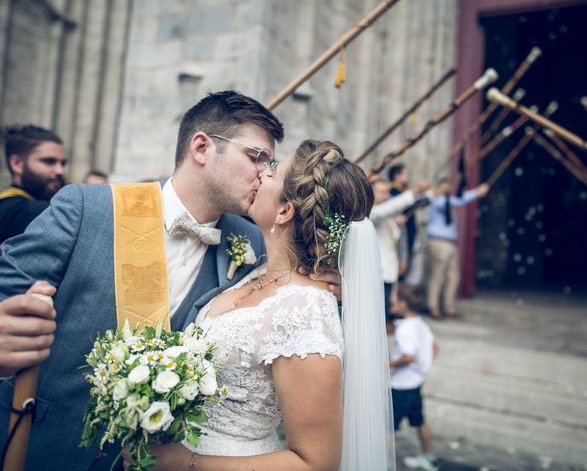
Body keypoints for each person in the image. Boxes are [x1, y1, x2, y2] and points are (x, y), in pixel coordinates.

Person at [0, 91, 287, 470]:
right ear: (201, 147)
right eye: (255, 157)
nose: (265, 174)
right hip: (43, 440)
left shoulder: (251, 242)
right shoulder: (87, 206)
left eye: (271, 163)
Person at [146, 140, 395, 470]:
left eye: (273, 170)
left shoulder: (306, 311)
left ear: (284, 211)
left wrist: (188, 463)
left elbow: (316, 463)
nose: (262, 173)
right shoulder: (257, 271)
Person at [390, 286, 439, 471]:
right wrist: (423, 369)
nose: (391, 303)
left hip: (401, 386)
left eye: (394, 300)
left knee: (387, 428)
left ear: (403, 304)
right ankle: (429, 458)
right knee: (419, 421)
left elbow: (408, 356)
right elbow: (435, 346)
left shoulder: (404, 331)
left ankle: (383, 464)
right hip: (415, 382)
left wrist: (388, 364)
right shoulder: (420, 323)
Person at [370, 175, 431, 323]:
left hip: (389, 271)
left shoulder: (389, 217)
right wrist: (414, 191)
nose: (387, 196)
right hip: (377, 273)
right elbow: (388, 208)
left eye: (387, 192)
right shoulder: (370, 212)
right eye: (383, 192)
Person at [426, 179, 489, 319]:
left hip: (451, 242)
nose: (447, 189)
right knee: (437, 276)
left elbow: (456, 200)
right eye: (444, 186)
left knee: (453, 275)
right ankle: (433, 307)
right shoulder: (436, 200)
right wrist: (476, 192)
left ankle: (448, 306)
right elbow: (458, 201)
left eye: (448, 186)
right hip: (439, 241)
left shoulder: (449, 201)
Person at [0, 125, 67, 244]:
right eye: (49, 161)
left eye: (63, 163)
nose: (60, 171)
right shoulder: (27, 210)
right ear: (17, 163)